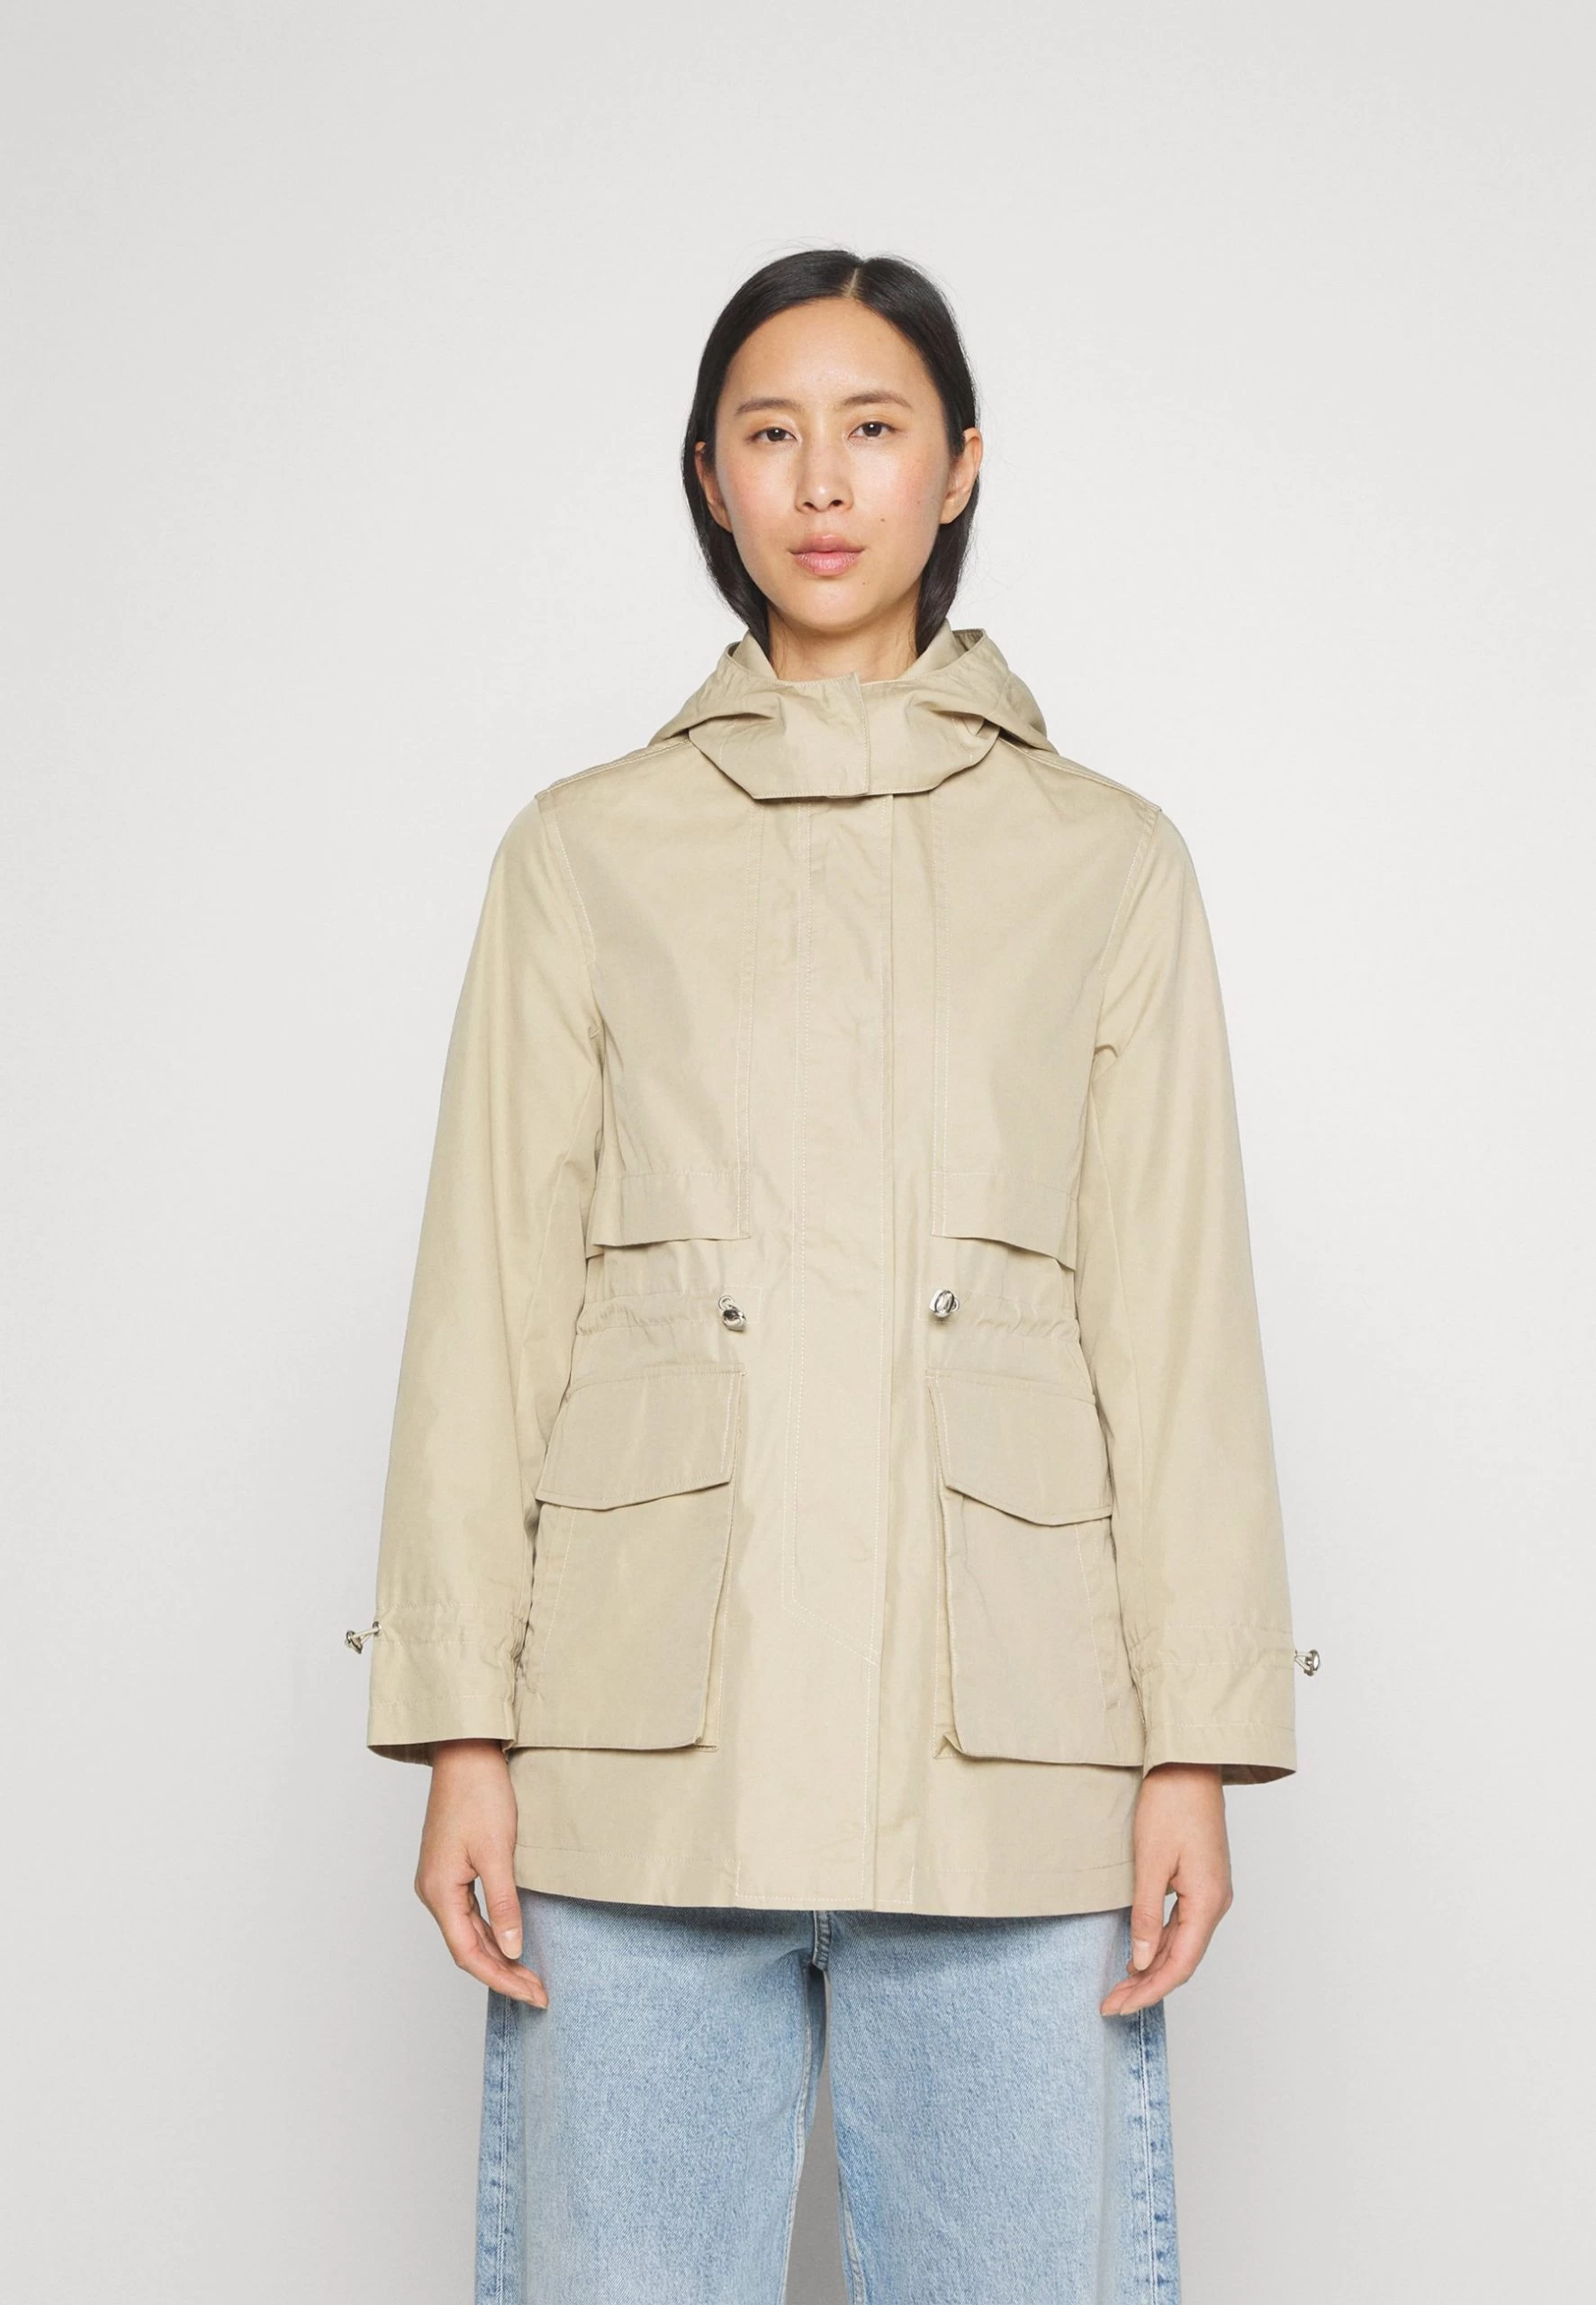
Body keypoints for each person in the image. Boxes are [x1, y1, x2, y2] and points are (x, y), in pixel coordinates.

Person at [349, 247, 1312, 2305]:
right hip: (637, 1751)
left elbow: (1173, 1318)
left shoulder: (1105, 859)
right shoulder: (584, 851)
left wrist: (1191, 1744)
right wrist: (459, 1727)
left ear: (957, 468)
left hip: (1016, 1759)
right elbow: (486, 1307)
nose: (819, 480)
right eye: (768, 432)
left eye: (872, 428)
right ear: (707, 474)